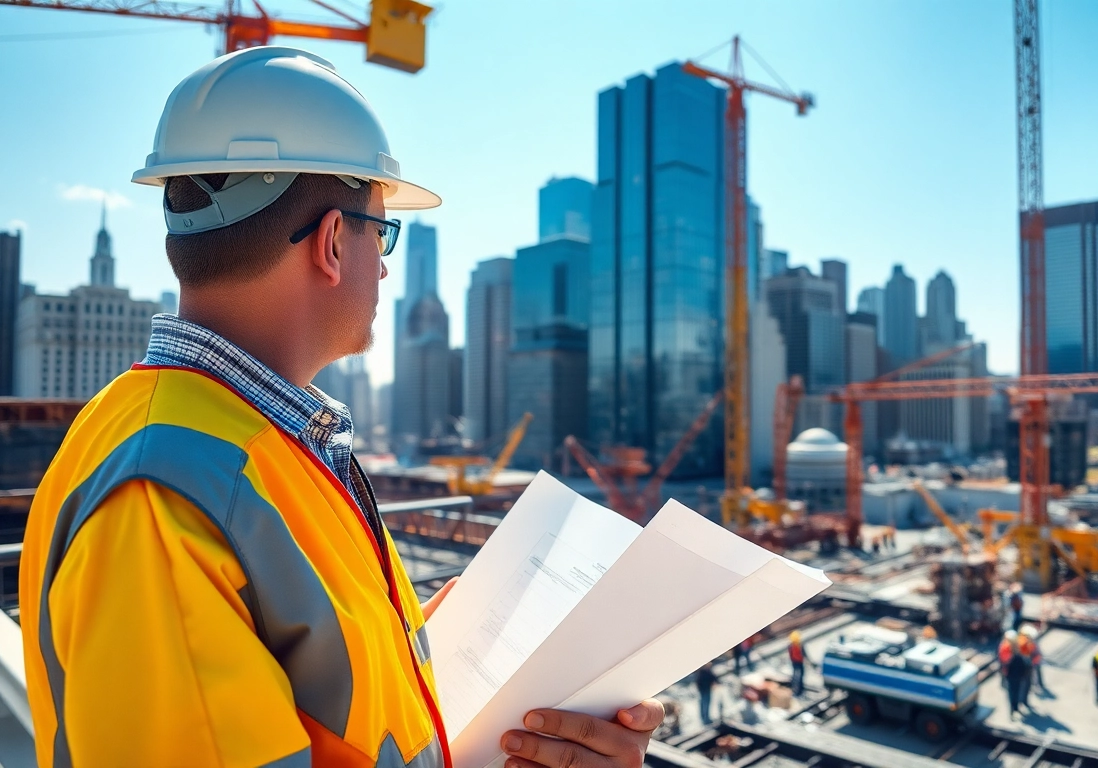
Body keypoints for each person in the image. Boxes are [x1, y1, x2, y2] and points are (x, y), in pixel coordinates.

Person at [18, 47, 663, 768]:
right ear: (331, 241)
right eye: (381, 232)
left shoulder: (250, 442)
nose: (384, 264)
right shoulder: (167, 498)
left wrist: (413, 652)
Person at [1004, 646, 1030, 719]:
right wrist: (1022, 676)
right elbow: (1024, 668)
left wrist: (1007, 677)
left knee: (1011, 694)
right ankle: (1016, 708)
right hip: (1018, 679)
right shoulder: (1020, 659)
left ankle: (1012, 710)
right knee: (1017, 693)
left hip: (1011, 680)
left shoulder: (1010, 659)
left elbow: (1007, 669)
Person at [1020, 624, 1045, 691]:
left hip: (1034, 661)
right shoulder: (1025, 643)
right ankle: (1036, 684)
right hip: (1032, 662)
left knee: (1035, 673)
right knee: (1032, 675)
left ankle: (1038, 684)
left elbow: (1036, 653)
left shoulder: (1032, 644)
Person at [789, 630, 809, 697]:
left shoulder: (791, 646)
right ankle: (798, 690)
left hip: (796, 662)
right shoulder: (798, 646)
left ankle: (798, 689)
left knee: (797, 676)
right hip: (798, 662)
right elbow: (804, 654)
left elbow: (791, 655)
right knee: (799, 676)